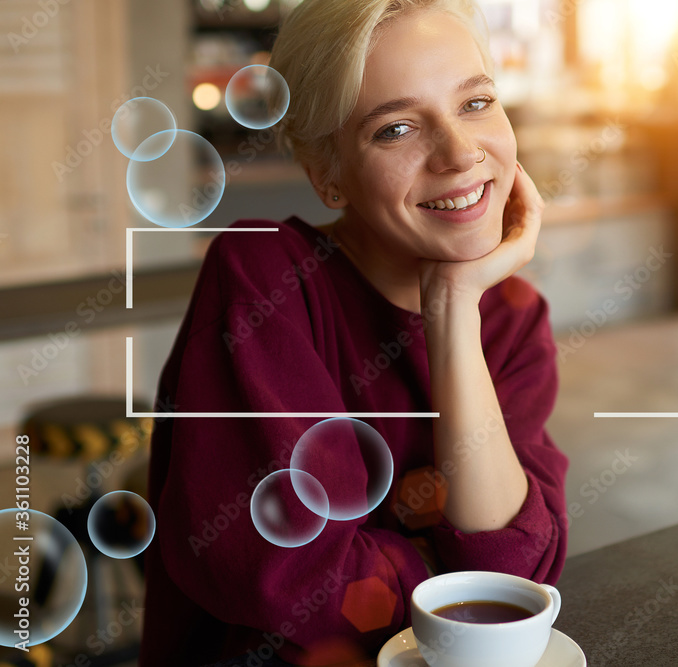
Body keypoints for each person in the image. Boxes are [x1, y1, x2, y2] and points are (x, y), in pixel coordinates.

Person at [139, 1, 569, 664]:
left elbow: (515, 567)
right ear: (327, 174)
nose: (459, 153)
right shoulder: (264, 274)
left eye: (476, 102)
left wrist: (451, 307)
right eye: (396, 128)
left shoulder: (512, 316)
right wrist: (451, 570)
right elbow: (286, 576)